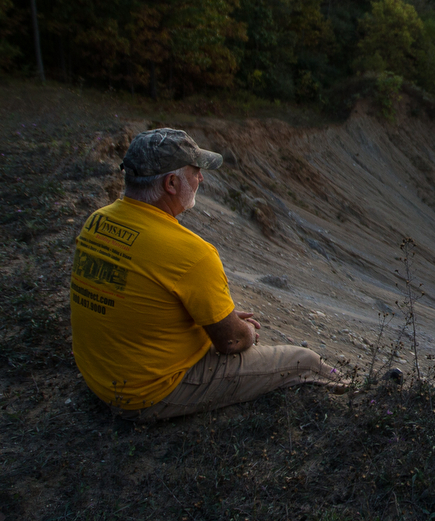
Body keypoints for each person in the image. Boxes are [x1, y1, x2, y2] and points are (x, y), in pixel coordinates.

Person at [69, 127, 345, 421]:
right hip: (147, 394)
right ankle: (358, 398)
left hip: (100, 378)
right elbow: (231, 342)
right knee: (305, 361)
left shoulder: (96, 221)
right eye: (195, 171)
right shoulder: (191, 253)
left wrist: (214, 314)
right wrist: (247, 331)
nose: (201, 178)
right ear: (171, 183)